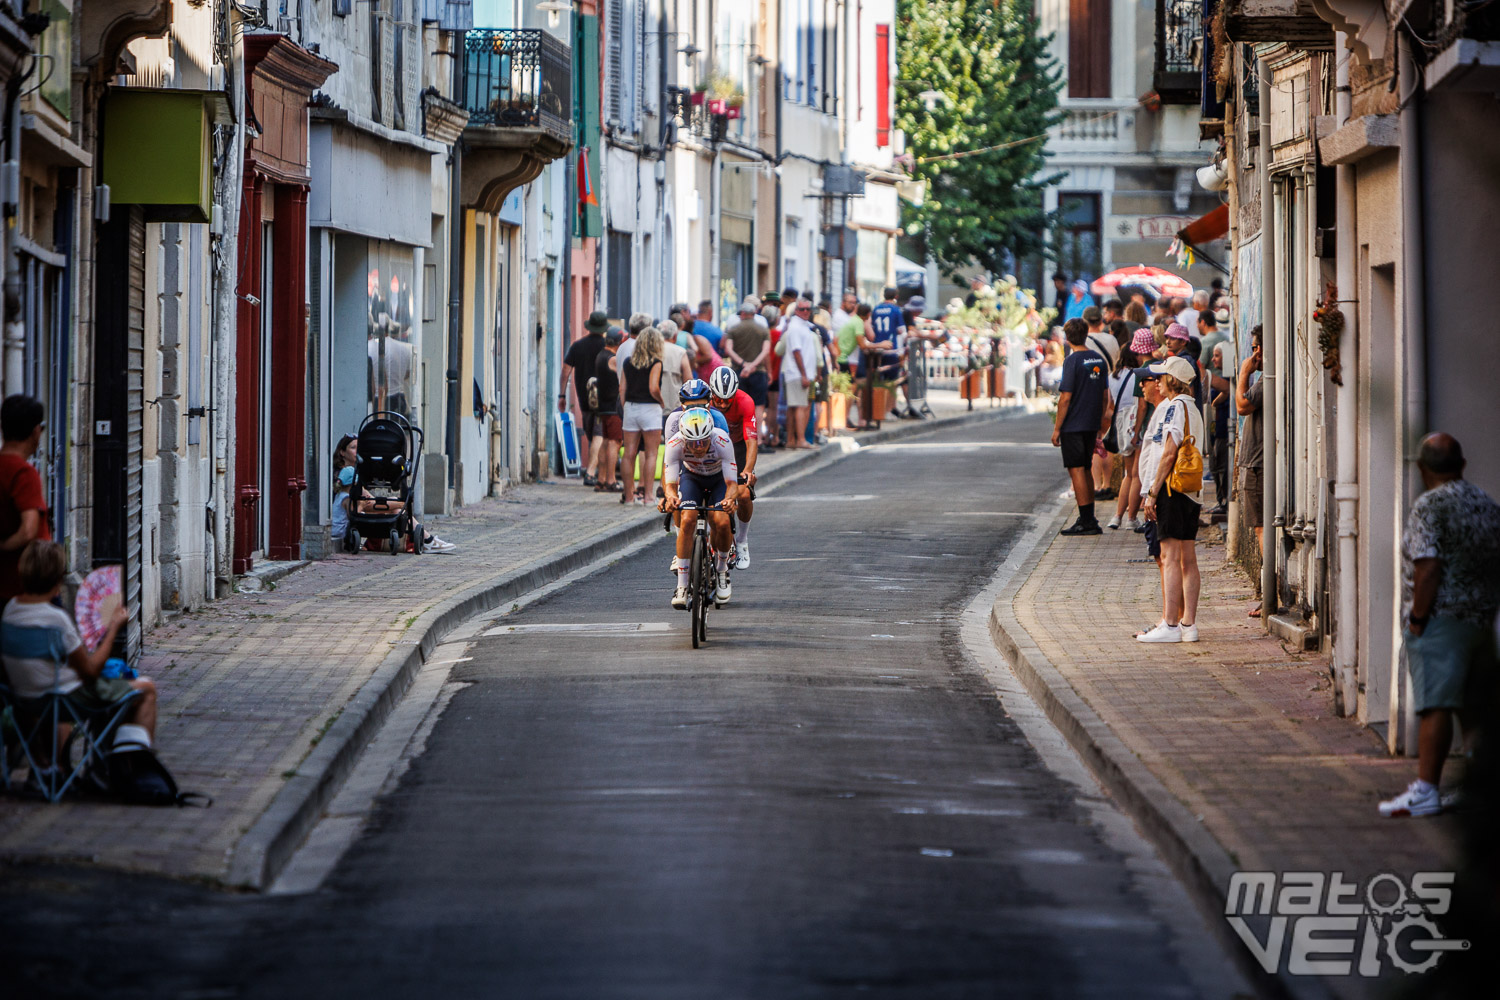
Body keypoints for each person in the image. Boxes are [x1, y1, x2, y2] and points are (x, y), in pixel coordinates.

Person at [1379, 433, 1500, 818]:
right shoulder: (1485, 503)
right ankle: (1476, 786)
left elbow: (1427, 566)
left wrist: (1417, 618)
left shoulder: (1430, 506)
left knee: (1436, 705)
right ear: (1461, 465)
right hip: (1480, 620)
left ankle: (1426, 788)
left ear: (1422, 468)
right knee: (1473, 709)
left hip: (1441, 620)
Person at [2, 540, 158, 760]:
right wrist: (113, 628)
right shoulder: (56, 620)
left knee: (106, 685)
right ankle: (133, 765)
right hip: (64, 699)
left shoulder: (10, 611)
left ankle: (56, 768)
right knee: (146, 688)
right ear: (57, 580)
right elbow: (90, 672)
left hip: (24, 698)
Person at [1136, 356, 1205, 643]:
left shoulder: (1175, 407)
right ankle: (1189, 624)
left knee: (1170, 557)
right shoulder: (1194, 408)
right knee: (1188, 558)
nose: (1157, 382)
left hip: (1172, 490)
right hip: (1191, 492)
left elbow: (1168, 452)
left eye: (1161, 377)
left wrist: (1153, 492)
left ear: (1172, 380)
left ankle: (1171, 624)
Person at [661, 409, 740, 609]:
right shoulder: (674, 444)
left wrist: (730, 500)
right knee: (687, 519)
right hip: (692, 478)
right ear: (683, 438)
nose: (698, 448)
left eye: (703, 442)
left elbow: (732, 483)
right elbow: (670, 484)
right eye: (692, 443)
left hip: (718, 480)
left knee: (722, 522)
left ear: (710, 435)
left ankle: (721, 570)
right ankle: (682, 586)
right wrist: (671, 498)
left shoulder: (722, 441)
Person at [1051, 318, 1110, 535]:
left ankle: (1086, 520)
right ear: (1086, 335)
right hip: (1091, 422)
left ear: (1067, 338)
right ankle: (1089, 517)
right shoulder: (1099, 360)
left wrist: (1057, 428)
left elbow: (1065, 397)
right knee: (1086, 468)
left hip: (1073, 424)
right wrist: (1099, 420)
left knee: (1076, 470)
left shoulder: (1072, 361)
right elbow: (1105, 395)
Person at [708, 366, 760, 569]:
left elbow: (751, 441)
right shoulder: (705, 401)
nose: (721, 404)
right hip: (712, 448)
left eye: (727, 400)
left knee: (744, 494)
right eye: (717, 399)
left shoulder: (745, 401)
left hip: (737, 446)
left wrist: (747, 470)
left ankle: (742, 541)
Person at [1, 394, 50, 606]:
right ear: (35, 431)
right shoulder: (23, 473)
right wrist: (3, 546)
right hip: (26, 587)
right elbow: (29, 530)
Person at [1235, 326, 1265, 615]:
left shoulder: (1267, 380)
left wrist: (1244, 373)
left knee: (1261, 528)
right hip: (1257, 461)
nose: (1254, 353)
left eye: (1257, 347)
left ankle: (1269, 594)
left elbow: (1242, 406)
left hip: (1259, 463)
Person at [560, 311, 610, 485]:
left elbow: (565, 371)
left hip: (584, 397)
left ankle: (594, 472)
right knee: (599, 434)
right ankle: (591, 473)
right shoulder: (608, 347)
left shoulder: (577, 346)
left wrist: (562, 395)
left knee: (594, 433)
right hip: (605, 396)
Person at [619, 326, 665, 506]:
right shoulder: (656, 362)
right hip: (650, 409)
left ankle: (629, 497)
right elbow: (653, 387)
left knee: (629, 453)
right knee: (651, 453)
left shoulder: (628, 362)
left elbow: (622, 388)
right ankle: (648, 497)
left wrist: (626, 406)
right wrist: (661, 401)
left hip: (631, 407)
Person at [1105, 340, 1144, 530]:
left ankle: (1117, 516)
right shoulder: (1139, 375)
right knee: (1137, 475)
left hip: (1121, 422)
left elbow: (1109, 406)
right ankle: (1131, 518)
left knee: (1128, 474)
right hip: (1136, 422)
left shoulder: (1113, 376)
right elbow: (1141, 404)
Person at [723, 300, 772, 447]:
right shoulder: (763, 330)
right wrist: (753, 365)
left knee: (740, 407)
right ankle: (757, 439)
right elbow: (766, 351)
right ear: (754, 313)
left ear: (743, 313)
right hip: (758, 372)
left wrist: (743, 364)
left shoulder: (733, 329)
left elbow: (728, 349)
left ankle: (741, 439)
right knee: (758, 406)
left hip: (739, 372)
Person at [781, 298, 821, 449]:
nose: (805, 312)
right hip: (797, 373)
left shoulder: (802, 326)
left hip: (798, 373)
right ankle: (800, 439)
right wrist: (804, 374)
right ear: (796, 310)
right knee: (800, 406)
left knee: (794, 407)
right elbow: (796, 351)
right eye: (802, 309)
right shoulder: (796, 327)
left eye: (808, 309)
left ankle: (791, 440)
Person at [592, 328, 625, 494]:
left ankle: (601, 479)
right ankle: (611, 480)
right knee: (614, 442)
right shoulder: (612, 359)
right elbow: (624, 376)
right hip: (613, 407)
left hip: (603, 406)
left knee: (605, 442)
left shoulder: (600, 355)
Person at [1207, 343, 1232, 514]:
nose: (1213, 359)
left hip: (1223, 430)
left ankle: (1224, 501)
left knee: (1221, 466)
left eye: (1217, 355)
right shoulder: (1222, 378)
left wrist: (1214, 404)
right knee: (1215, 467)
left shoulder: (1227, 381)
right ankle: (1220, 500)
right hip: (1216, 430)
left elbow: (1226, 393)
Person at [836, 302, 869, 373]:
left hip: (839, 356)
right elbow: (862, 345)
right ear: (868, 314)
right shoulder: (859, 322)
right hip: (842, 358)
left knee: (846, 378)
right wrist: (881, 345)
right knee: (848, 379)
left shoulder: (854, 319)